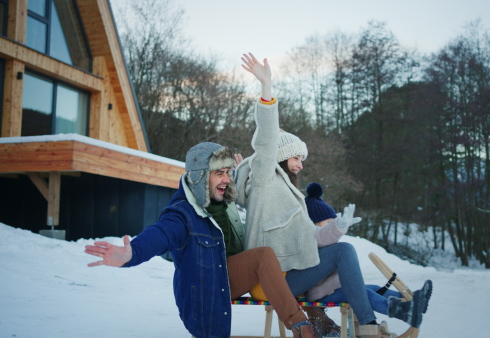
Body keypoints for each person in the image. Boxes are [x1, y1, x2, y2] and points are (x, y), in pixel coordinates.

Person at [234, 53, 432, 338]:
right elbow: (265, 142)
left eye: (302, 158)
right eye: (296, 157)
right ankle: (370, 325)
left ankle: (388, 315)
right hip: (272, 283)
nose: (301, 164)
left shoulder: (286, 192)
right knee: (345, 252)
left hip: (289, 275)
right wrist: (266, 88)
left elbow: (309, 239)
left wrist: (338, 227)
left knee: (346, 265)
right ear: (279, 156)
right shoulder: (265, 180)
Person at [84, 142, 316, 338]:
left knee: (271, 252)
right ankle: (300, 326)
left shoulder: (223, 201)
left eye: (228, 172)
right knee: (262, 256)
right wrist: (132, 252)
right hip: (206, 289)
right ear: (200, 177)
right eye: (219, 173)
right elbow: (162, 233)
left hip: (228, 276)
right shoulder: (182, 213)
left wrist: (238, 171)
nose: (226, 179)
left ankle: (319, 315)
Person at [304, 182, 433, 323]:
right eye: (328, 223)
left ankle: (413, 299)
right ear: (313, 223)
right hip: (324, 293)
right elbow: (323, 239)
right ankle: (403, 311)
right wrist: (337, 229)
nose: (331, 227)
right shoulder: (312, 240)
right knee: (366, 294)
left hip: (336, 288)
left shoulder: (325, 240)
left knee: (374, 288)